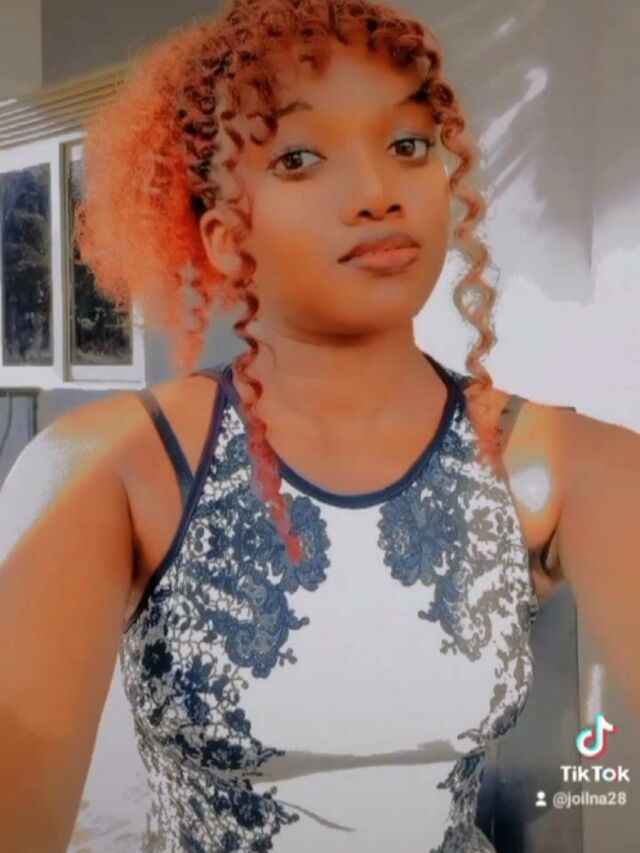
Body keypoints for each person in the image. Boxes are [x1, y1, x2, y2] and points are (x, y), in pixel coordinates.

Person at [1, 0, 638, 851]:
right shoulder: (105, 467)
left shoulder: (564, 463)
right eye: (298, 157)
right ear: (223, 237)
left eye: (407, 145)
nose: (377, 193)